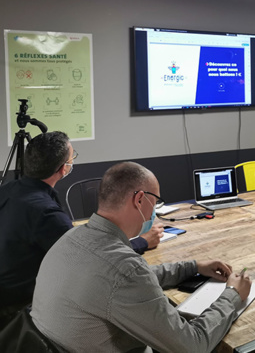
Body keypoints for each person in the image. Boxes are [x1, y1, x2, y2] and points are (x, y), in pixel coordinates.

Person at [31, 161, 252, 352]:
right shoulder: (124, 269)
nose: (154, 212)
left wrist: (193, 266)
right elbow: (192, 346)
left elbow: (127, 278)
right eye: (154, 203)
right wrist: (232, 295)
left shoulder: (71, 237)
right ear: (139, 200)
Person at [0, 132, 163, 328]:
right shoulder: (47, 215)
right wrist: (142, 241)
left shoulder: (8, 190)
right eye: (72, 157)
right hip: (19, 311)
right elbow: (93, 262)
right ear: (63, 169)